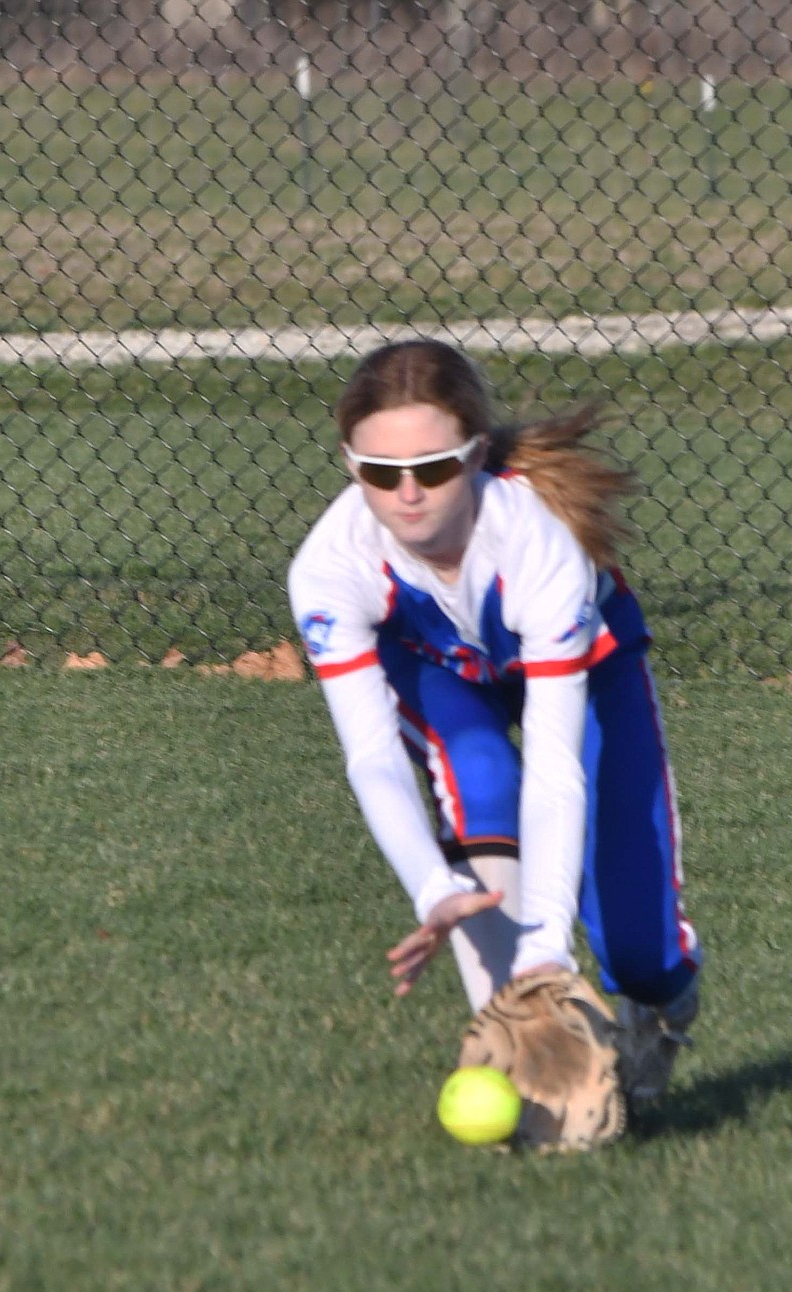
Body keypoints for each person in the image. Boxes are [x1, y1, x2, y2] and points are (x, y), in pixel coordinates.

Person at [288, 338, 702, 1105]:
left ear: (476, 454)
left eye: (434, 467)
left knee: (642, 950)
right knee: (478, 774)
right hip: (439, 668)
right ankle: (525, 1060)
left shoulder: (538, 543)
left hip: (589, 667)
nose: (408, 493)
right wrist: (430, 888)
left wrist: (546, 937)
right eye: (380, 473)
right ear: (348, 463)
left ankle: (663, 1010)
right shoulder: (327, 566)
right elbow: (372, 755)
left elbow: (555, 765)